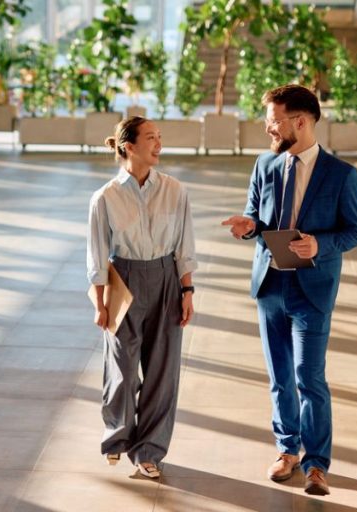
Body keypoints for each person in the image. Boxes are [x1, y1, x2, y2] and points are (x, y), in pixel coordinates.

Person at [221, 85, 357, 495]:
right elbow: (256, 214)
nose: (268, 127)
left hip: (312, 289)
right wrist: (249, 226)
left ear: (300, 122)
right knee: (279, 375)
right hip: (270, 284)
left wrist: (320, 243)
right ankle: (287, 450)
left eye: (274, 120)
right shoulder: (265, 164)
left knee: (309, 376)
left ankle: (317, 463)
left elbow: (355, 231)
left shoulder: (341, 175)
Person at [87, 116, 197, 479]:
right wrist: (100, 304)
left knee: (163, 371)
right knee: (121, 368)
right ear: (129, 146)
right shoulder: (105, 197)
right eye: (151, 137)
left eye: (160, 137)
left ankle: (149, 450)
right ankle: (118, 436)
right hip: (125, 279)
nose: (159, 143)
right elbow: (98, 255)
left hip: (166, 277)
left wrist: (187, 290)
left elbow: (185, 247)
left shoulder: (176, 190)